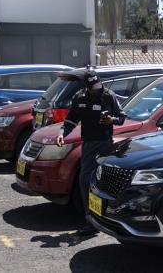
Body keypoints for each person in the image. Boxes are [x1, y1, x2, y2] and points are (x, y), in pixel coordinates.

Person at [57, 69, 126, 236]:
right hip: (88, 144)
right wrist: (61, 133)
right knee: (85, 180)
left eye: (97, 84)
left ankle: (105, 216)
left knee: (102, 181)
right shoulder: (80, 97)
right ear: (86, 86)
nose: (96, 88)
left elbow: (122, 117)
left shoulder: (109, 96)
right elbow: (70, 120)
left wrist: (112, 120)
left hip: (105, 144)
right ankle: (91, 218)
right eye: (92, 86)